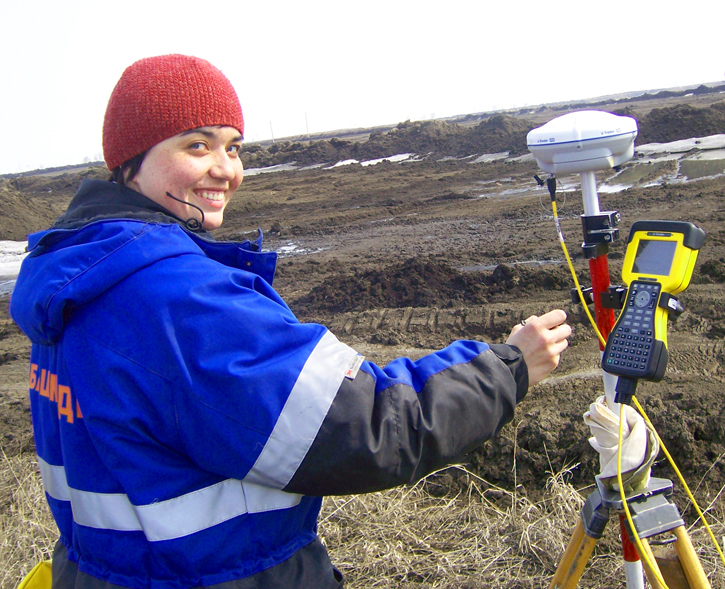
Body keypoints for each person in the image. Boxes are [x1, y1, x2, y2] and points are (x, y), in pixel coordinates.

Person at [10, 54, 571, 589]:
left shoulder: (77, 278)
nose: (225, 169)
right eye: (195, 145)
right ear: (129, 162)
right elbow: (365, 428)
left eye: (232, 147)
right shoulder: (179, 300)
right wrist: (507, 367)